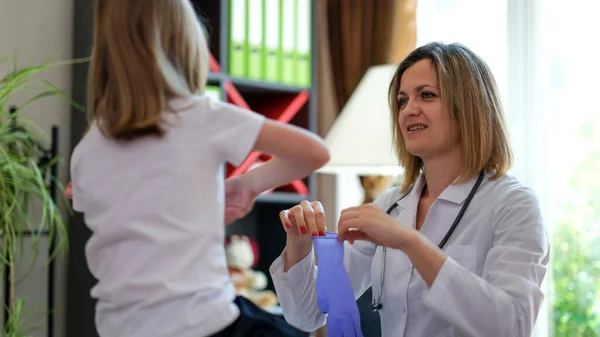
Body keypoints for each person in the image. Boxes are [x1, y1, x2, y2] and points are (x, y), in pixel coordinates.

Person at [68, 1, 329, 337]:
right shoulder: (199, 115)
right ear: (185, 43)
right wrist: (248, 184)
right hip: (202, 323)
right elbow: (314, 152)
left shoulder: (90, 146)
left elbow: (88, 199)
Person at [270, 42, 550, 337]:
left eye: (427, 95)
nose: (408, 111)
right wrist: (299, 247)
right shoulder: (389, 206)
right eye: (402, 101)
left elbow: (513, 325)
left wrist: (410, 242)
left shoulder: (513, 205)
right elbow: (308, 315)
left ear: (469, 106)